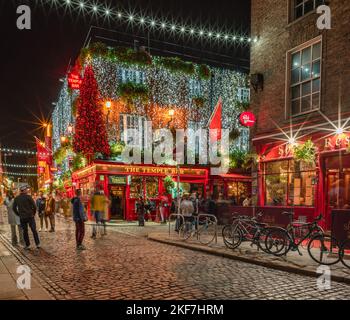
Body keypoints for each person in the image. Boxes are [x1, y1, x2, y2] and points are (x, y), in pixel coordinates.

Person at [13, 185, 40, 250]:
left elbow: (14, 208)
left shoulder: (17, 198)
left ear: (20, 191)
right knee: (34, 230)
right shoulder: (29, 197)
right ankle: (37, 244)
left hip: (22, 217)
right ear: (24, 191)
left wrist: (18, 214)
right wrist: (33, 213)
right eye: (26, 190)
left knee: (25, 231)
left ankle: (28, 245)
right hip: (30, 216)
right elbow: (34, 206)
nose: (27, 191)